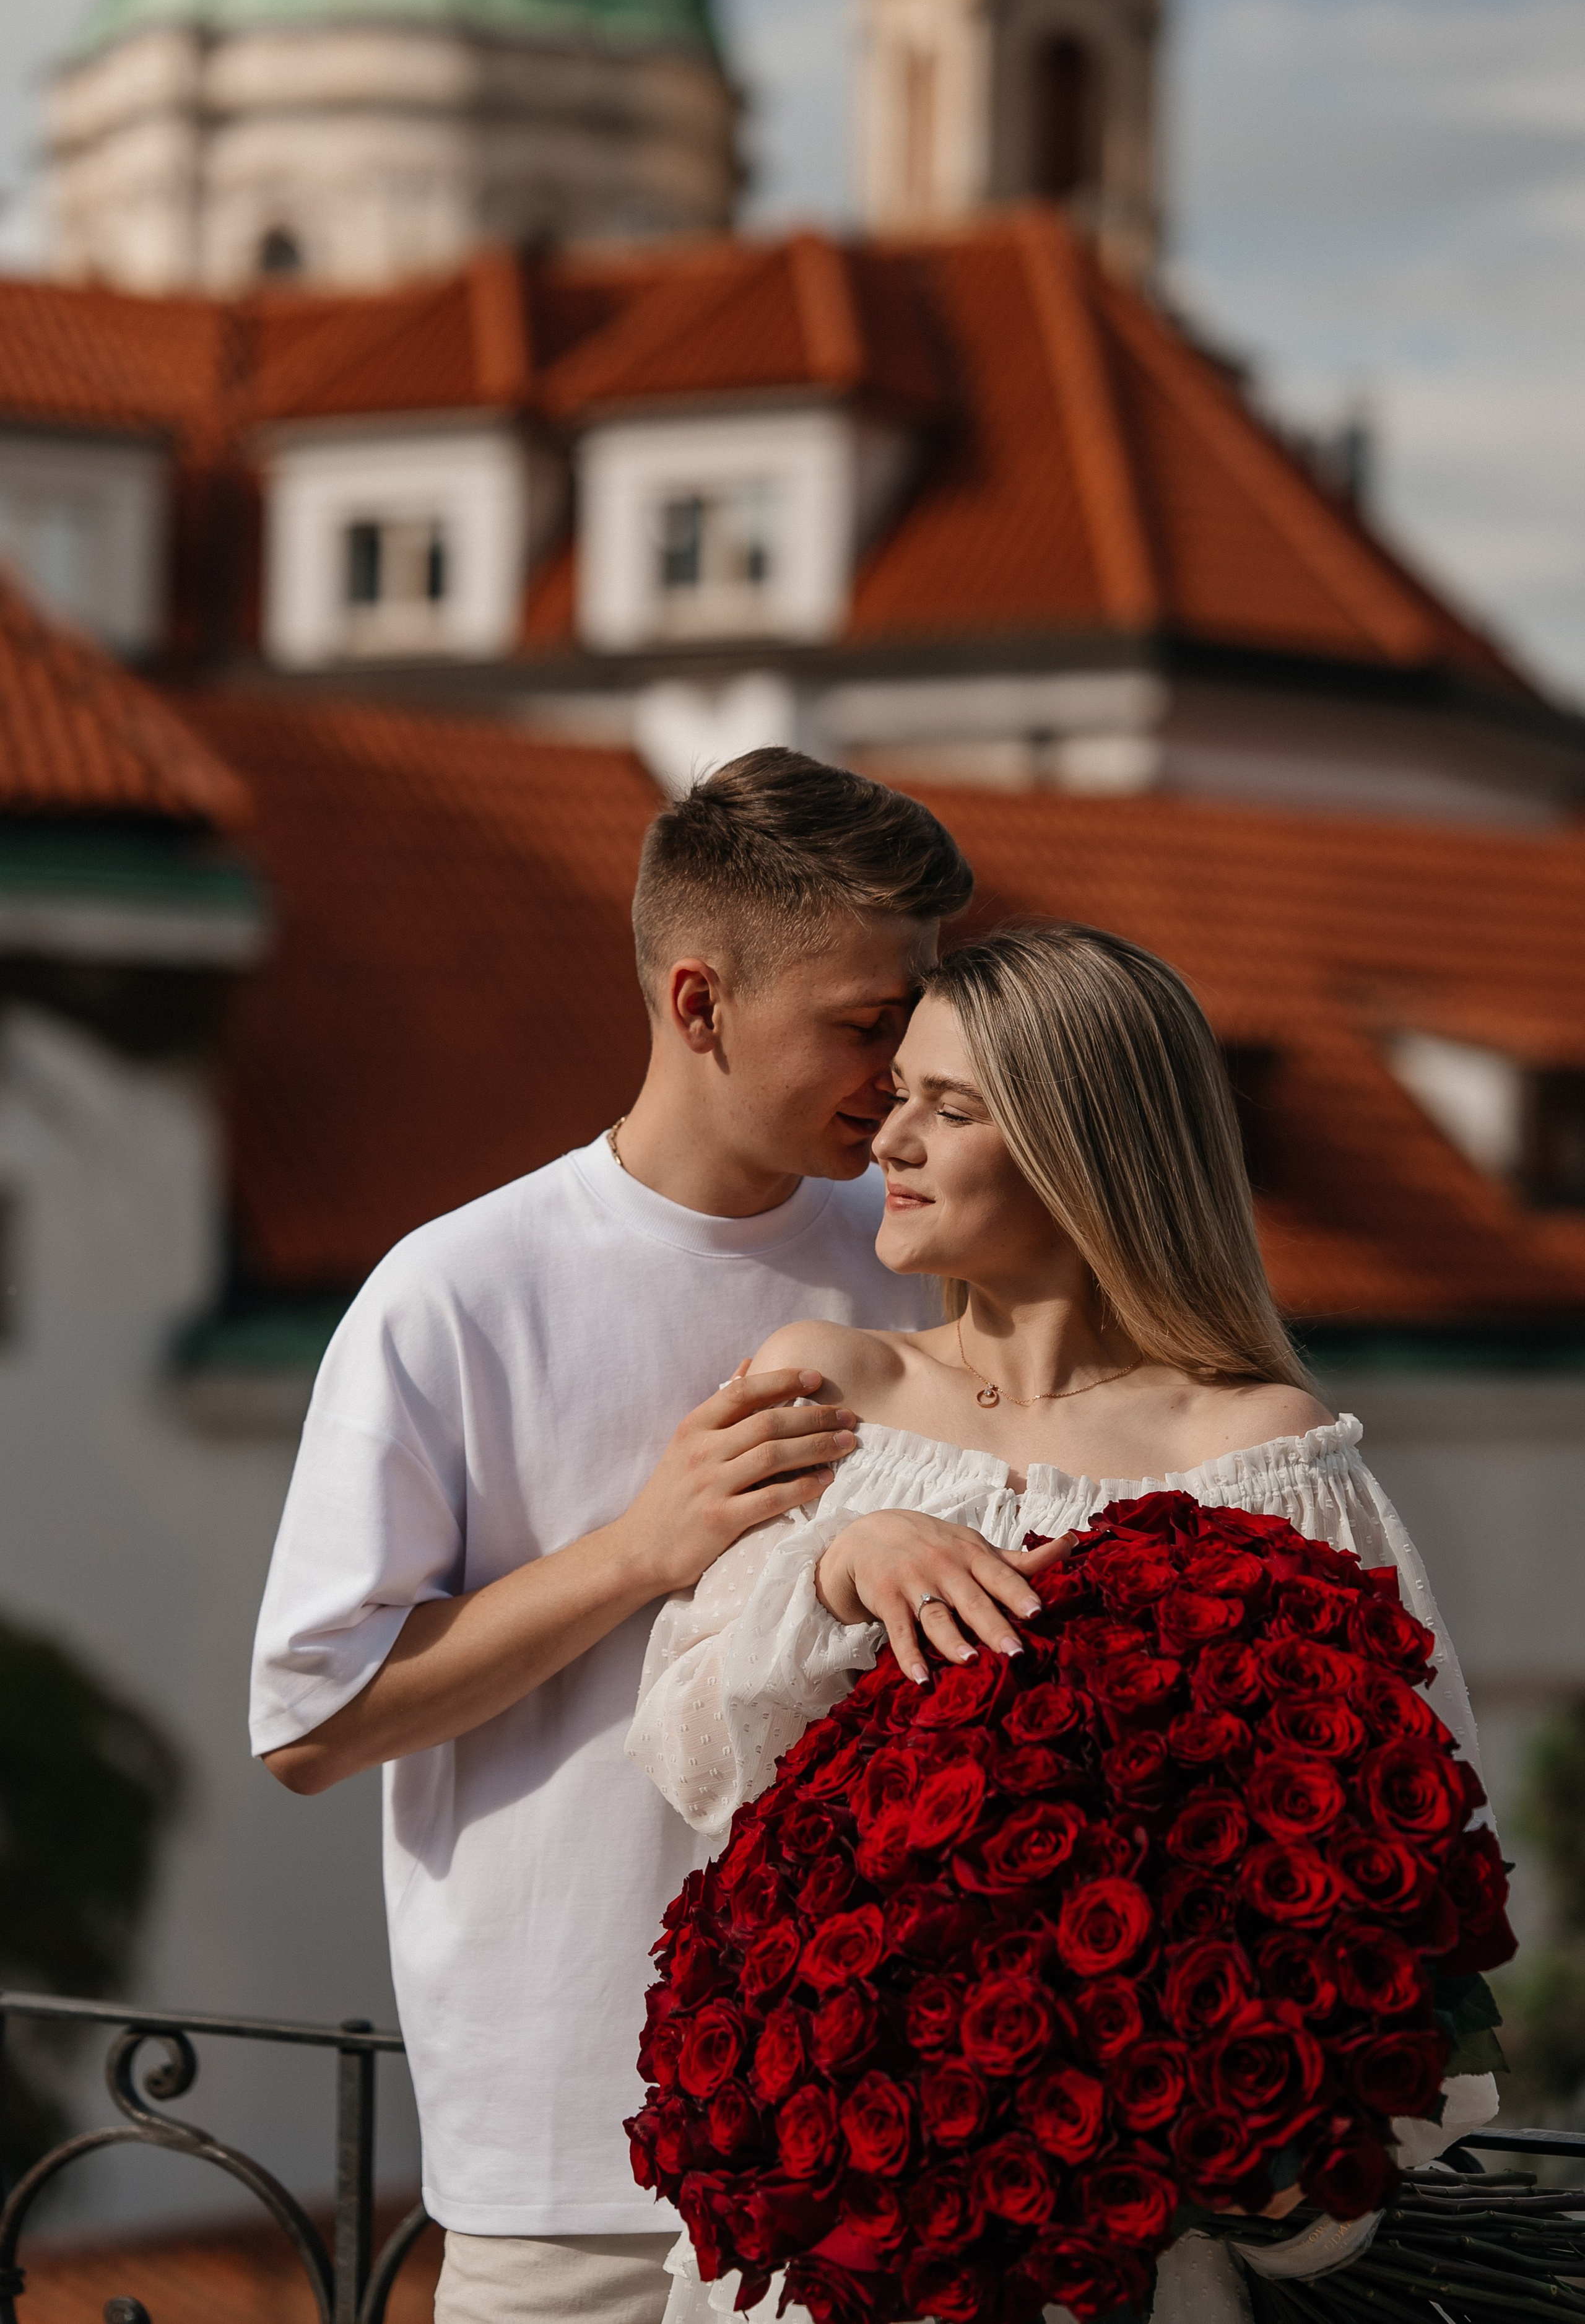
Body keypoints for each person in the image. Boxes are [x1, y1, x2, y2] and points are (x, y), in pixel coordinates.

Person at [627, 920, 1496, 2324]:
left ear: (1078, 1139)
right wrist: (841, 1559)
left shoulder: (1261, 1448)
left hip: (1137, 2237)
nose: (888, 1138)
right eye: (896, 1087)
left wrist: (1277, 2143)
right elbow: (687, 1746)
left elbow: (1414, 1840)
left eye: (948, 1106)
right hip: (843, 2203)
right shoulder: (822, 1386)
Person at [248, 748, 974, 2324]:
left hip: (883, 2134)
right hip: (565, 2150)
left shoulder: (931, 1260)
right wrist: (643, 1548)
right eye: (863, 1022)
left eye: (912, 1020)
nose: (899, 1068)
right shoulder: (454, 1291)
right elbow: (309, 1722)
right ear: (699, 1002)